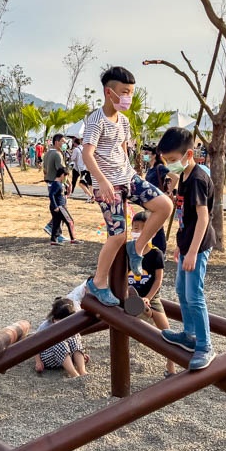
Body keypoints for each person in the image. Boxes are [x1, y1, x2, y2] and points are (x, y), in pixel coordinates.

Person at [82, 67, 172, 307]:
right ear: (108, 92)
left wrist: (134, 173)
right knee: (117, 235)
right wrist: (101, 181)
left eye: (131, 92)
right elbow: (87, 154)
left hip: (128, 177)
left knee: (164, 205)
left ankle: (138, 247)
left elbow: (122, 148)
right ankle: (98, 282)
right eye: (124, 92)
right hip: (107, 183)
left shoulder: (123, 120)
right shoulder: (95, 120)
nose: (128, 97)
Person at [157, 126, 216, 370]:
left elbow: (203, 218)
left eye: (172, 160)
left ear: (188, 154)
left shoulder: (198, 180)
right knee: (181, 290)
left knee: (194, 295)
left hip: (198, 246)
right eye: (166, 160)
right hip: (187, 243)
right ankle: (189, 334)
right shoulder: (184, 176)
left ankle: (205, 345)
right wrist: (181, 246)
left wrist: (192, 251)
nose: (169, 165)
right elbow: (185, 215)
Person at [127, 212, 177, 376]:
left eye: (144, 229)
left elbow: (157, 281)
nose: (139, 232)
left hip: (151, 297)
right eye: (135, 228)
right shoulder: (127, 251)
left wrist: (148, 297)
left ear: (153, 232)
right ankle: (142, 309)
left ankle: (171, 368)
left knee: (167, 332)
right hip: (129, 296)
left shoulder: (156, 254)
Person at [33, 297, 88, 378]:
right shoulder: (46, 325)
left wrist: (80, 355)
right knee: (58, 342)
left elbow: (76, 342)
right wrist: (38, 361)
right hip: (50, 356)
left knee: (75, 338)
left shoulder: (71, 324)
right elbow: (35, 343)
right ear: (54, 318)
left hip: (68, 356)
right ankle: (74, 374)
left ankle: (82, 370)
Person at [144, 148, 171, 254]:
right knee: (152, 225)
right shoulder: (150, 169)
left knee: (157, 226)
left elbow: (174, 176)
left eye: (147, 153)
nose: (144, 155)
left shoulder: (160, 168)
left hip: (158, 201)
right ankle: (154, 250)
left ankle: (161, 251)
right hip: (149, 202)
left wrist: (166, 194)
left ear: (154, 155)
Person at [48, 167, 79, 245]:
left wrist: (67, 193)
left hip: (59, 206)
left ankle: (53, 240)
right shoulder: (56, 184)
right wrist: (55, 206)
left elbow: (60, 194)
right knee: (70, 221)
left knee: (56, 223)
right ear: (62, 175)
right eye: (66, 176)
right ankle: (73, 239)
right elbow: (51, 195)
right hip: (59, 207)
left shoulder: (60, 184)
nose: (66, 178)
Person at [70, 137, 94, 202]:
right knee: (90, 183)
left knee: (81, 183)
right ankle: (92, 196)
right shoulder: (84, 148)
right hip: (87, 167)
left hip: (81, 168)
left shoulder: (76, 150)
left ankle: (90, 196)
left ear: (75, 143)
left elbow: (72, 158)